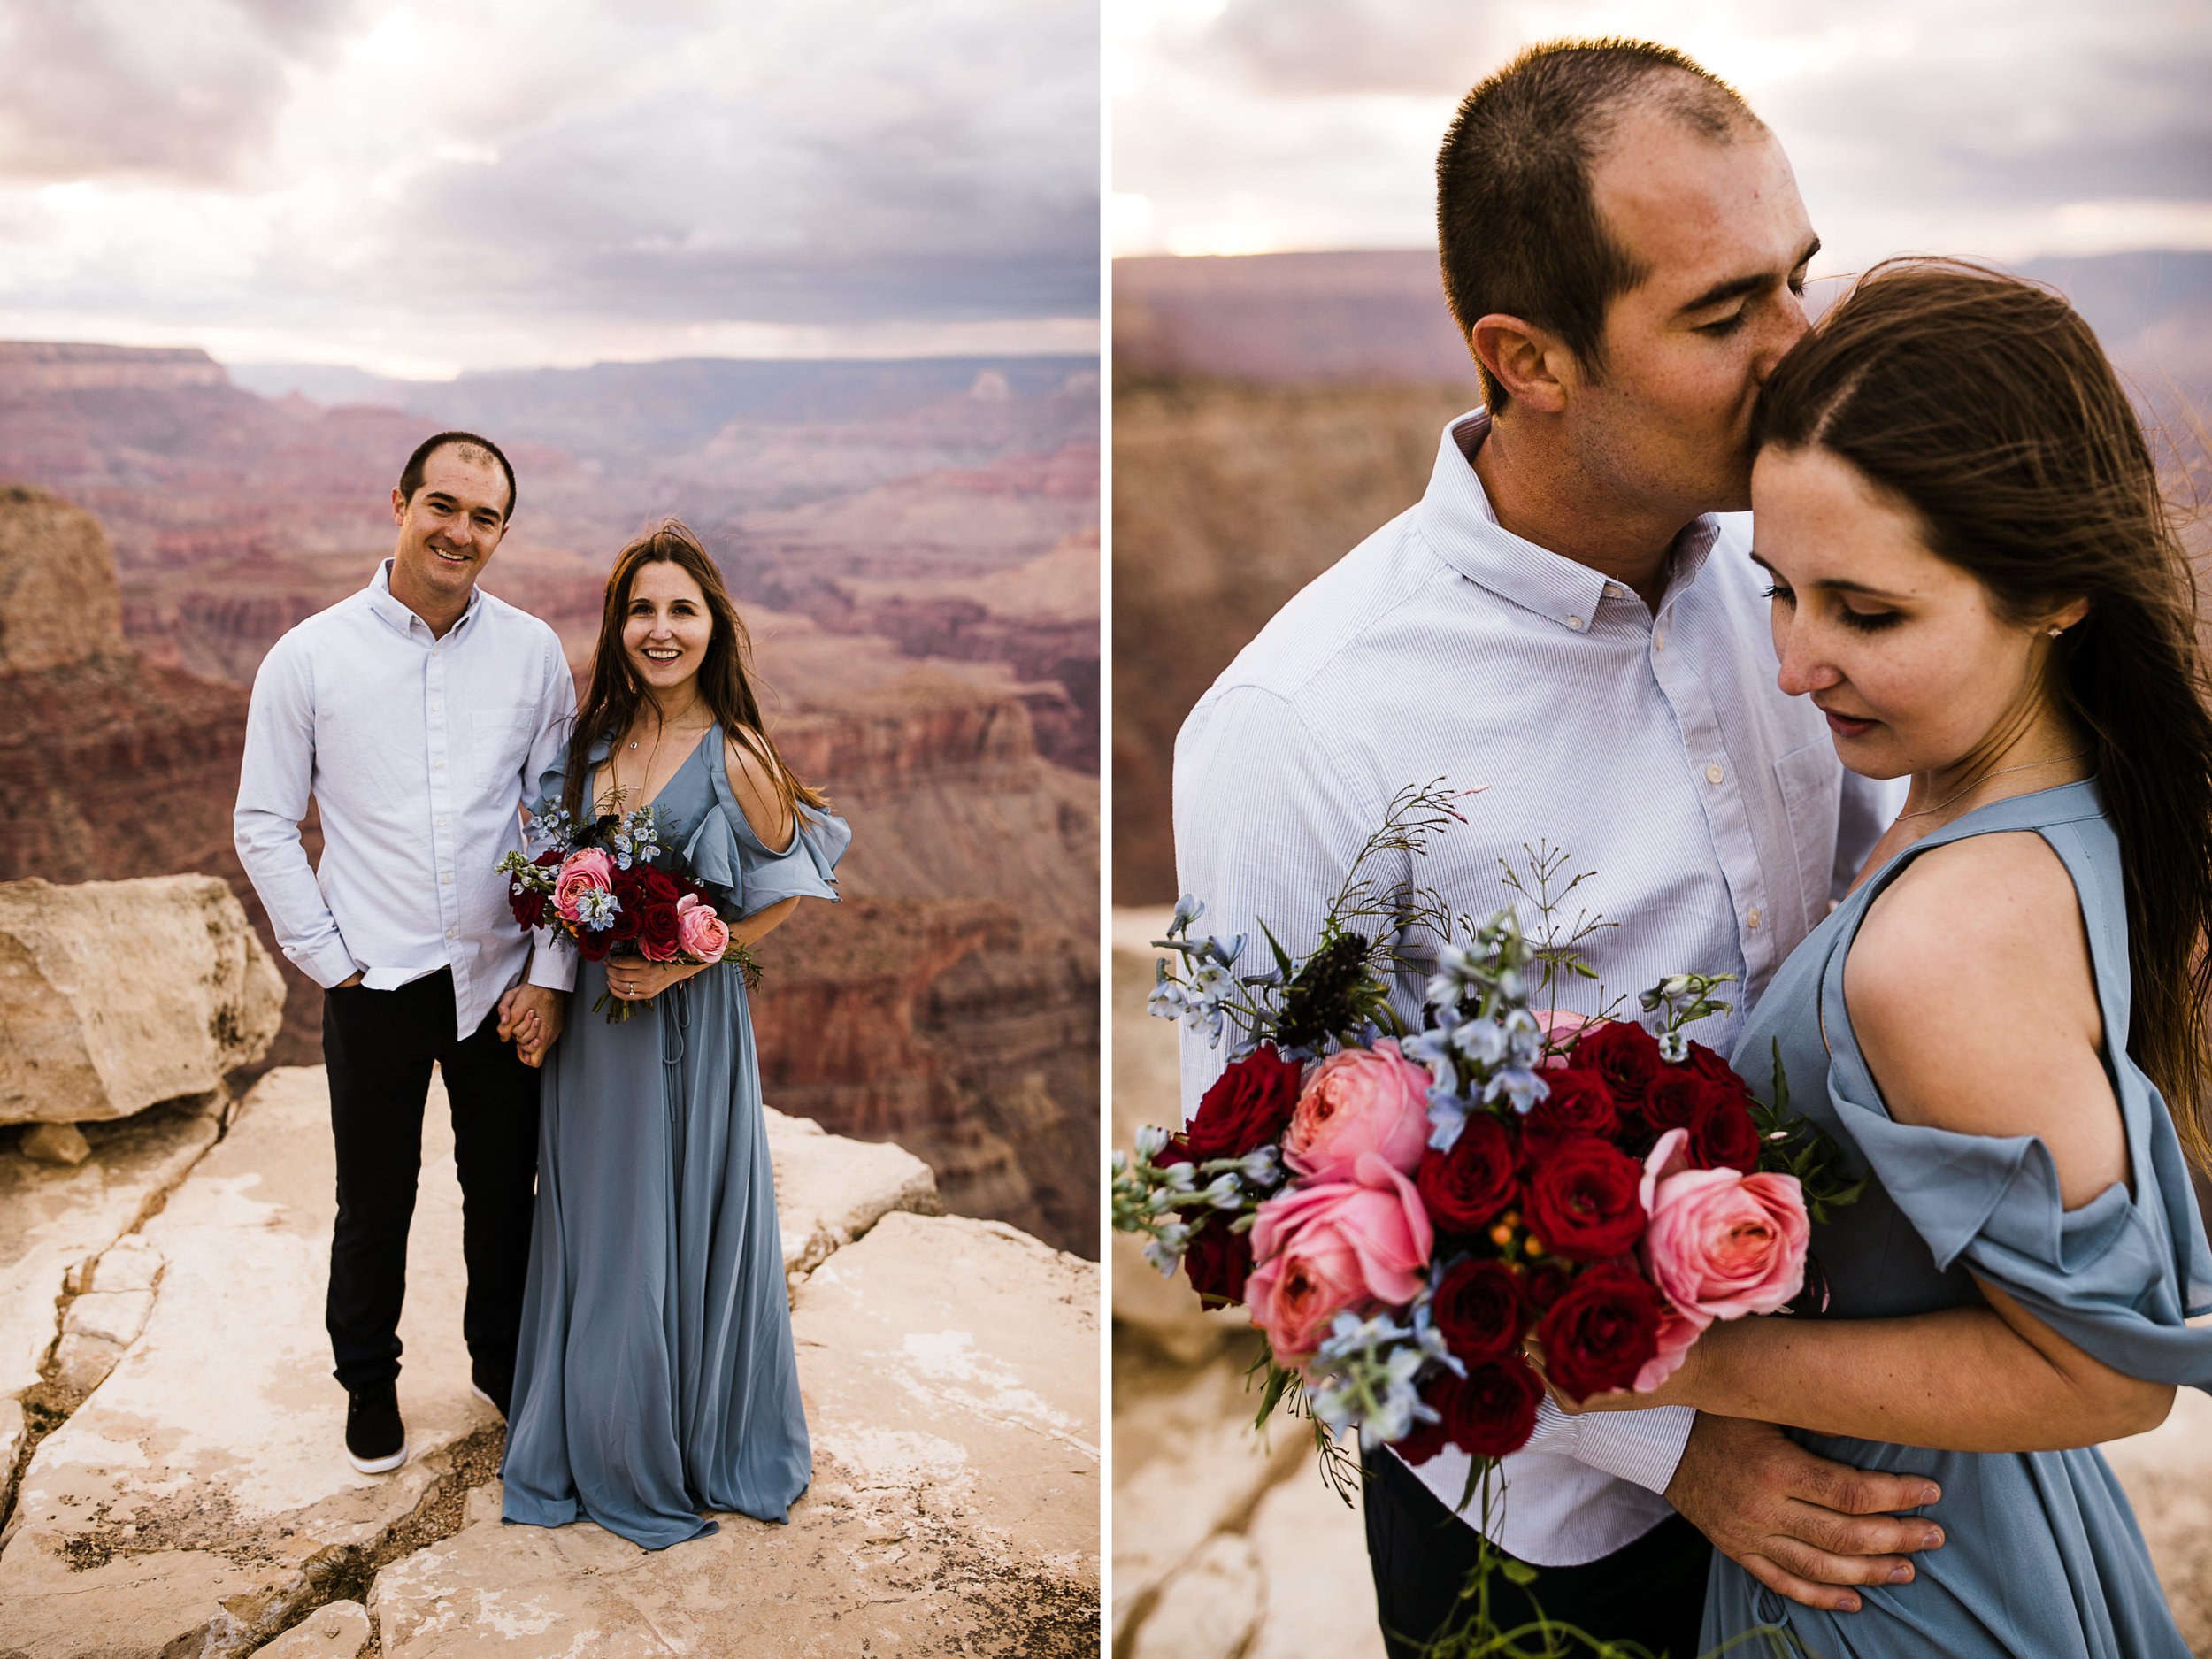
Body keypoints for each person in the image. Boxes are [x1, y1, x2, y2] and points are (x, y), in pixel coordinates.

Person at [1171, 40, 1938, 1657]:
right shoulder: (1306, 726)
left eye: (1801, 280)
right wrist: (1677, 1445)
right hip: (1546, 1538)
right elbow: (1267, 1218)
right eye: (1727, 315)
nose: (1801, 353)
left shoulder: (1797, 575)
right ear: (1528, 356)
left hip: (1862, 1420)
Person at [1552, 261, 2212, 1657]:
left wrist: (1662, 1360)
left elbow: (2106, 1375)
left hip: (1901, 1580)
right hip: (1972, 1522)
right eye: (1780, 589)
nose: (1795, 661)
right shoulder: (2041, 792)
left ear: (2056, 590)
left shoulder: (1945, 945)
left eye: (1868, 612)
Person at [497, 519, 847, 1551]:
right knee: (600, 1231)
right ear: (617, 627)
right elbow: (556, 873)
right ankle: (594, 1433)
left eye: (680, 611)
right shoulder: (589, 745)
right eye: (641, 610)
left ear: (712, 627)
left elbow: (798, 882)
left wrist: (702, 948)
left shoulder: (736, 754)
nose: (660, 629)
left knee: (672, 1225)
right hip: (596, 1040)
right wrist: (555, 967)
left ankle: (684, 1443)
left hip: (687, 1027)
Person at [235, 431, 575, 1474]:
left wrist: (554, 974)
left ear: (502, 532)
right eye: (443, 506)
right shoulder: (309, 656)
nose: (459, 532)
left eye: (483, 518)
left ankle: (505, 1367)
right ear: (398, 503)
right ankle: (368, 1388)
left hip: (501, 981)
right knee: (374, 1198)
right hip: (373, 981)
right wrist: (331, 961)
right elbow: (263, 822)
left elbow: (560, 821)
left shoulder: (532, 653)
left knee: (504, 1194)